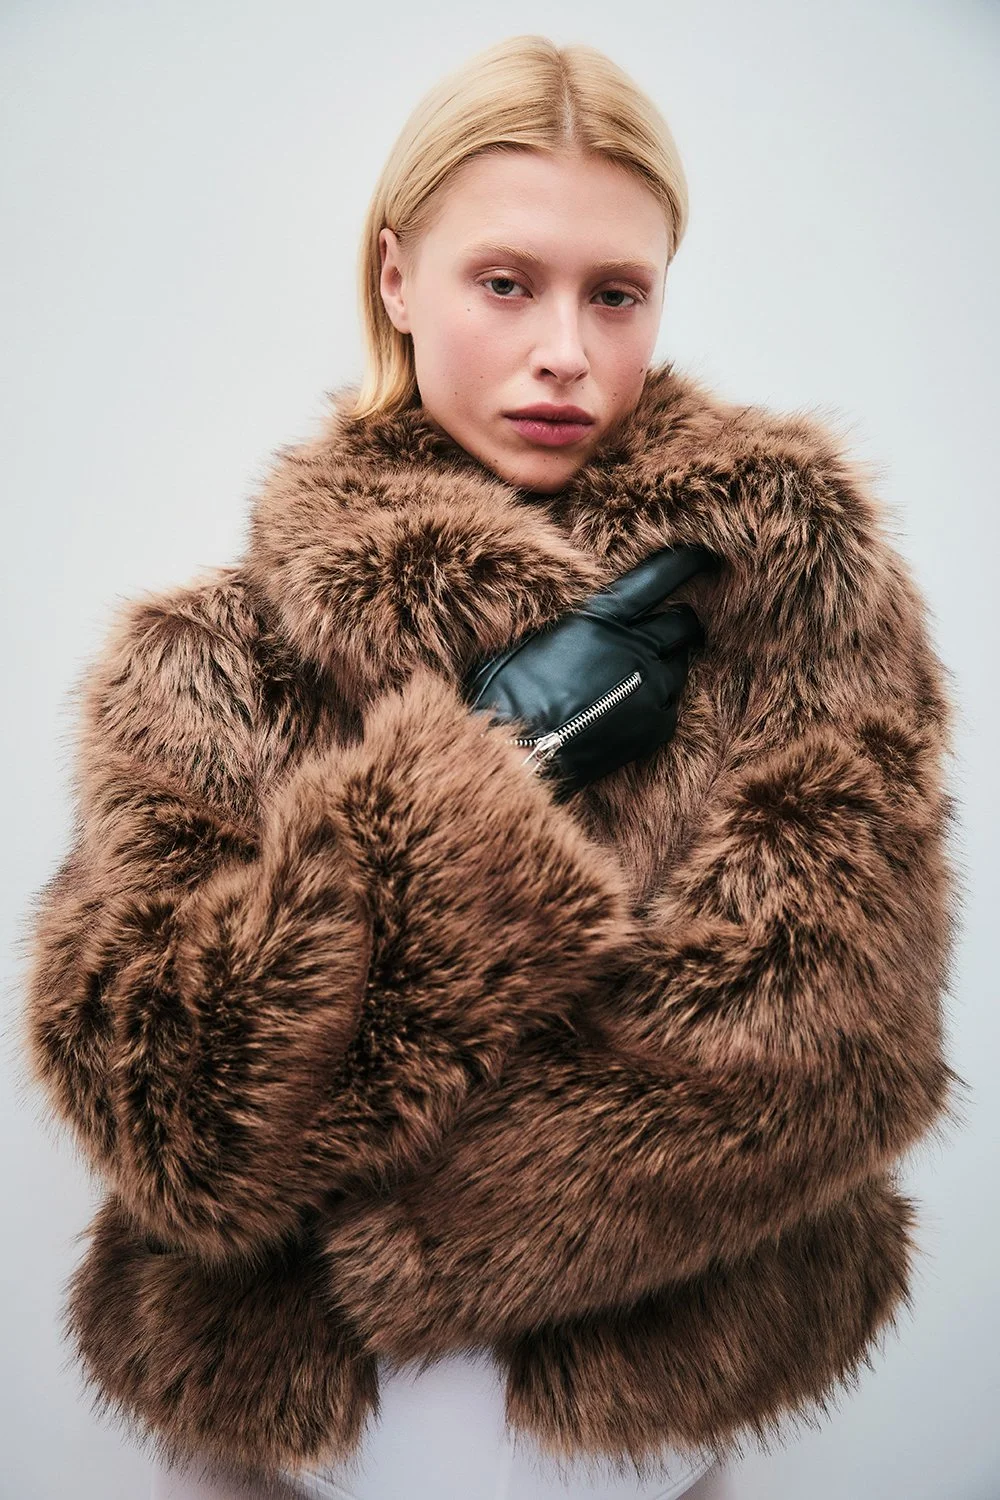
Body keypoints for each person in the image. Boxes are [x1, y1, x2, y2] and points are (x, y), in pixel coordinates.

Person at [18, 32, 963, 1500]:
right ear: (398, 278)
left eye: (617, 294)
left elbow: (830, 1046)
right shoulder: (212, 659)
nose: (567, 353)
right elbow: (171, 1111)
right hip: (289, 1470)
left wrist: (410, 1241)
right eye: (506, 282)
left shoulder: (781, 589)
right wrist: (485, 772)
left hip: (643, 1454)